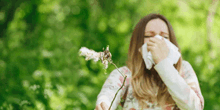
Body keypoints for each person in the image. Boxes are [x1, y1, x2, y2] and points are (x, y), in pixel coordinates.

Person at [95, 13, 204, 110]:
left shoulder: (184, 69)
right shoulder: (124, 74)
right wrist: (103, 103)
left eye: (164, 36)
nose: (157, 40)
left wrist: (163, 63)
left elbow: (195, 107)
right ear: (139, 43)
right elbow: (107, 96)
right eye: (150, 36)